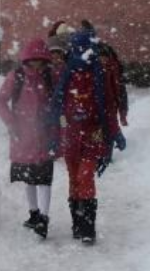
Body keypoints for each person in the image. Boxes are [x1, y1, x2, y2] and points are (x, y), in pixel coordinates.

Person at [49, 23, 126, 245]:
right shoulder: (67, 74)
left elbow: (108, 107)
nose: (84, 54)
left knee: (85, 176)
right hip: (71, 135)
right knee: (74, 179)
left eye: (86, 50)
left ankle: (88, 228)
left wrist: (115, 132)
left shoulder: (99, 75)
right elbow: (57, 108)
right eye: (79, 49)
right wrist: (55, 135)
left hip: (94, 134)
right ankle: (78, 223)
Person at [0, 39, 60, 239]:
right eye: (33, 61)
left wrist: (58, 126)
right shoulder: (17, 77)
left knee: (44, 179)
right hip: (22, 135)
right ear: (26, 59)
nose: (37, 65)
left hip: (45, 136)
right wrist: (11, 124)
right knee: (29, 179)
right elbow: (0, 101)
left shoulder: (51, 76)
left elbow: (61, 101)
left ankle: (44, 218)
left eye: (40, 61)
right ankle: (33, 215)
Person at [80, 19, 129, 127]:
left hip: (104, 103)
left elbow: (119, 91)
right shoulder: (86, 58)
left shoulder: (89, 57)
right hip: (98, 104)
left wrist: (122, 113)